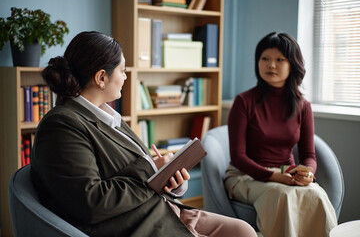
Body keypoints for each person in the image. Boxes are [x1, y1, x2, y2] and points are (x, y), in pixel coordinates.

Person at [30, 31, 257, 237]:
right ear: (101, 78)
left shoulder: (110, 117)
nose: (126, 77)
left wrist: (170, 179)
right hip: (135, 225)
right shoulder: (61, 126)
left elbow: (139, 174)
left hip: (161, 209)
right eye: (122, 70)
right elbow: (91, 202)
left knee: (243, 230)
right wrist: (151, 168)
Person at [224, 32, 337, 237]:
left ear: (292, 64)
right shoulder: (244, 101)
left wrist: (308, 173)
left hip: (286, 172)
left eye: (279, 60)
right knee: (281, 194)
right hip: (245, 175)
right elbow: (238, 157)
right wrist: (274, 176)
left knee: (317, 194)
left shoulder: (303, 106)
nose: (271, 65)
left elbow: (309, 155)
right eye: (264, 58)